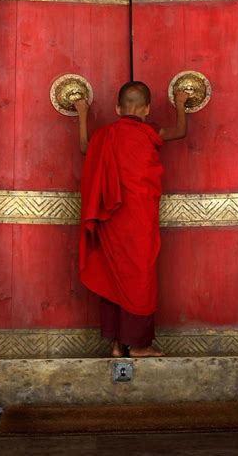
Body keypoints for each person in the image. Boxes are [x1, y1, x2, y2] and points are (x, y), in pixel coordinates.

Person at [74, 81, 189, 358]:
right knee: (140, 274)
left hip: (112, 219)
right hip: (139, 218)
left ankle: (116, 344)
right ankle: (138, 345)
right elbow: (181, 131)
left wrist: (81, 113)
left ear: (117, 108)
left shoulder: (105, 135)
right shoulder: (149, 131)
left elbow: (84, 147)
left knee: (113, 273)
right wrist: (182, 104)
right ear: (147, 109)